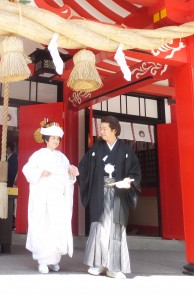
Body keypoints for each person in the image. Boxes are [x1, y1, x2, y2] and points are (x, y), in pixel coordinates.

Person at [78, 115, 141, 279]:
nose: (101, 131)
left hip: (118, 194)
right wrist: (77, 172)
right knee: (99, 228)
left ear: (114, 130)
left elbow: (135, 171)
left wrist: (128, 181)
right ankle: (98, 265)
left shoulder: (126, 150)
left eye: (104, 128)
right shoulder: (96, 148)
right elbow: (84, 167)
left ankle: (114, 267)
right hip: (100, 192)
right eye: (101, 128)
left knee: (115, 229)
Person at [22, 123, 79, 274]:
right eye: (53, 138)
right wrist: (41, 172)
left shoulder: (62, 158)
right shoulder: (38, 154)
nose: (55, 141)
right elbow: (27, 169)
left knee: (56, 227)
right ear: (46, 139)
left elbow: (68, 176)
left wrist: (71, 172)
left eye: (57, 139)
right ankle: (42, 261)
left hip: (57, 198)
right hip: (42, 197)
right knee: (43, 227)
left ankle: (53, 260)